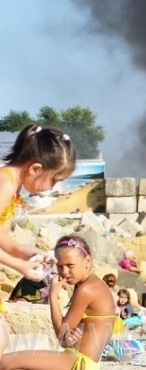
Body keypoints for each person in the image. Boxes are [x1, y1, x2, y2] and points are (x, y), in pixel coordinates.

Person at [0, 124, 76, 355]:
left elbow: (2, 235)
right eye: (53, 180)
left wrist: (27, 253)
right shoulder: (4, 184)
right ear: (35, 168)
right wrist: (20, 266)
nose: (51, 188)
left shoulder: (13, 187)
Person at [0, 236, 119, 370]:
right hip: (83, 360)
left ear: (87, 261)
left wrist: (53, 295)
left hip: (78, 361)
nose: (64, 272)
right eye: (59, 266)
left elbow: (61, 337)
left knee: (5, 362)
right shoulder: (93, 282)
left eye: (70, 265)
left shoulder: (86, 289)